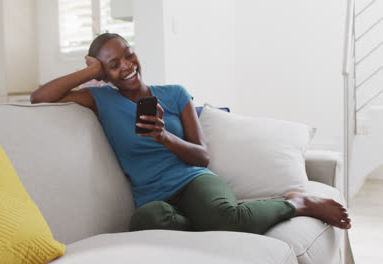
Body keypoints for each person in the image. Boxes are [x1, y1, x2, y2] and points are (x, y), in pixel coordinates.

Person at [30, 33, 351, 233]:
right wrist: (91, 72)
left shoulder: (174, 93)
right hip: (152, 195)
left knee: (227, 219)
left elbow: (202, 155)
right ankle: (205, 223)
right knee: (144, 221)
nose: (126, 65)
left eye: (128, 54)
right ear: (104, 74)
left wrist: (163, 137)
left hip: (193, 180)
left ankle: (298, 203)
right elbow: (40, 97)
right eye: (112, 65)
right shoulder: (101, 100)